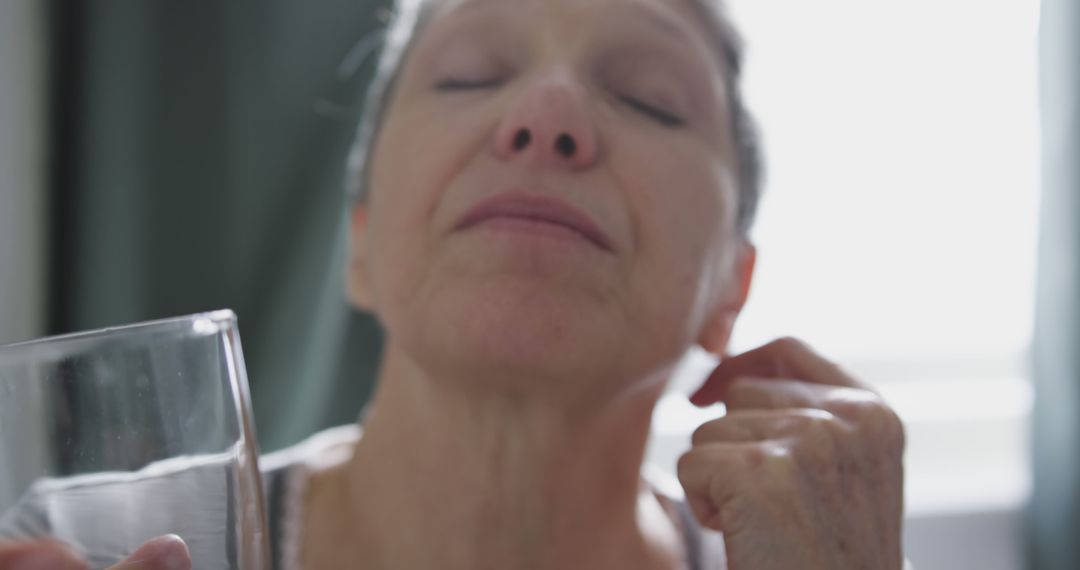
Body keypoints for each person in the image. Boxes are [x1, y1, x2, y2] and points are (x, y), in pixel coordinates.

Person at [0, 0, 907, 567]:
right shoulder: (82, 545)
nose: (546, 116)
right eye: (470, 74)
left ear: (730, 292)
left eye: (648, 97)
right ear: (358, 244)